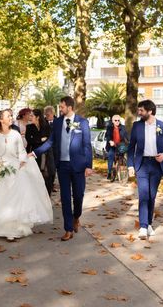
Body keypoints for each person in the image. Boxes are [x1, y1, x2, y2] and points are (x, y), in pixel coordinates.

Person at [0, 109, 53, 240]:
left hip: (14, 169)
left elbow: (21, 151)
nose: (11, 118)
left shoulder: (16, 134)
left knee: (14, 200)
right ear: (1, 120)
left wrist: (23, 160)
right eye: (8, 116)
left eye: (11, 116)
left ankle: (12, 229)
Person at [32, 96, 92, 241]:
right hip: (63, 165)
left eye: (62, 107)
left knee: (78, 196)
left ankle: (76, 216)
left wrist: (89, 165)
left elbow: (87, 145)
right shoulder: (58, 122)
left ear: (69, 107)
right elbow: (51, 141)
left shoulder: (82, 122)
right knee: (65, 198)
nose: (60, 109)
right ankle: (68, 229)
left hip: (78, 166)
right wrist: (35, 152)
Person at [127, 99, 163, 240]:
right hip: (142, 164)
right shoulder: (137, 126)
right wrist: (130, 165)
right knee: (143, 195)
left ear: (150, 111)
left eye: (141, 110)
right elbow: (131, 148)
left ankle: (149, 224)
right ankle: (143, 226)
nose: (138, 112)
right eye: (138, 110)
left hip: (156, 165)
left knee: (152, 196)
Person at [25, 108, 55, 195]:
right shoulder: (29, 127)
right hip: (33, 154)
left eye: (32, 115)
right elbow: (29, 140)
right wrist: (41, 139)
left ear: (37, 117)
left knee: (49, 175)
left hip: (47, 154)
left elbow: (49, 140)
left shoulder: (46, 126)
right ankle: (37, 195)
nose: (30, 117)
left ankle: (47, 195)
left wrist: (37, 140)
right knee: (36, 176)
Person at [105, 115, 129, 181]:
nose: (117, 122)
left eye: (118, 120)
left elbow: (126, 136)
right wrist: (110, 141)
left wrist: (128, 142)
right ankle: (109, 172)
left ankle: (121, 174)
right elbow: (107, 135)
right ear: (112, 121)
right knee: (111, 156)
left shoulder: (123, 127)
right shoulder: (109, 127)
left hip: (120, 146)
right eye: (115, 120)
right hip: (112, 146)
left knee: (122, 157)